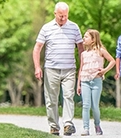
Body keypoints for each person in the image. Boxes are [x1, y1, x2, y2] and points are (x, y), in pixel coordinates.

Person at [32, 2, 84, 136]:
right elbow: (37, 48)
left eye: (65, 16)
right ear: (55, 14)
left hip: (69, 69)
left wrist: (82, 67)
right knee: (51, 99)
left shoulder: (74, 27)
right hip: (51, 69)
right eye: (61, 16)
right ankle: (54, 126)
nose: (63, 18)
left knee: (68, 96)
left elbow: (80, 48)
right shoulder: (46, 28)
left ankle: (68, 124)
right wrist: (37, 67)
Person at [76, 29, 115, 136]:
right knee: (85, 105)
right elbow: (81, 68)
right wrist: (78, 84)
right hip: (85, 81)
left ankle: (97, 125)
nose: (84, 38)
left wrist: (104, 70)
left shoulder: (100, 51)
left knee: (94, 106)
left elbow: (112, 61)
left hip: (96, 81)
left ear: (93, 40)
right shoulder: (83, 54)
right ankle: (86, 128)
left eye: (86, 37)